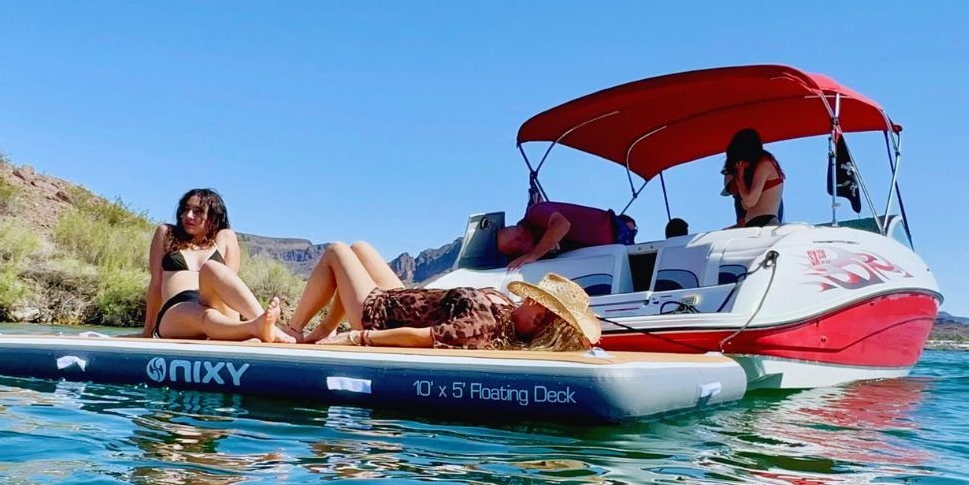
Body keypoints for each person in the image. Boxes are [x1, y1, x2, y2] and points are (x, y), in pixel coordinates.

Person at [282, 241, 600, 352]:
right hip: (405, 298)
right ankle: (319, 332)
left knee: (338, 251)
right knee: (361, 248)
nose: (531, 304)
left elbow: (422, 338)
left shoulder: (485, 329)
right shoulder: (506, 312)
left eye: (540, 312)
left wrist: (356, 337)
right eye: (537, 301)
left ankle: (293, 330)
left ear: (540, 330)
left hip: (381, 312)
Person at [143, 188, 294, 342]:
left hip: (216, 304)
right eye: (186, 209)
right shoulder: (167, 233)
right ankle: (252, 329)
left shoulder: (225, 238)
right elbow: (156, 284)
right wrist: (147, 331)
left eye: (198, 211)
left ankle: (263, 326)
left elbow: (230, 286)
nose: (189, 216)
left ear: (214, 216)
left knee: (211, 267)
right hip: (178, 308)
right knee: (205, 315)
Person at [496, 201, 636, 271]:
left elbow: (562, 225)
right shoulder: (542, 248)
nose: (521, 243)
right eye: (515, 248)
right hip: (610, 257)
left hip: (618, 235)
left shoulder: (536, 211)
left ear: (520, 226)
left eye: (518, 238)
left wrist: (533, 254)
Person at [721, 128, 784, 228]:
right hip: (752, 223)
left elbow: (749, 201)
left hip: (765, 222)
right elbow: (745, 205)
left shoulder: (765, 164)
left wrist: (740, 175)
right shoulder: (755, 170)